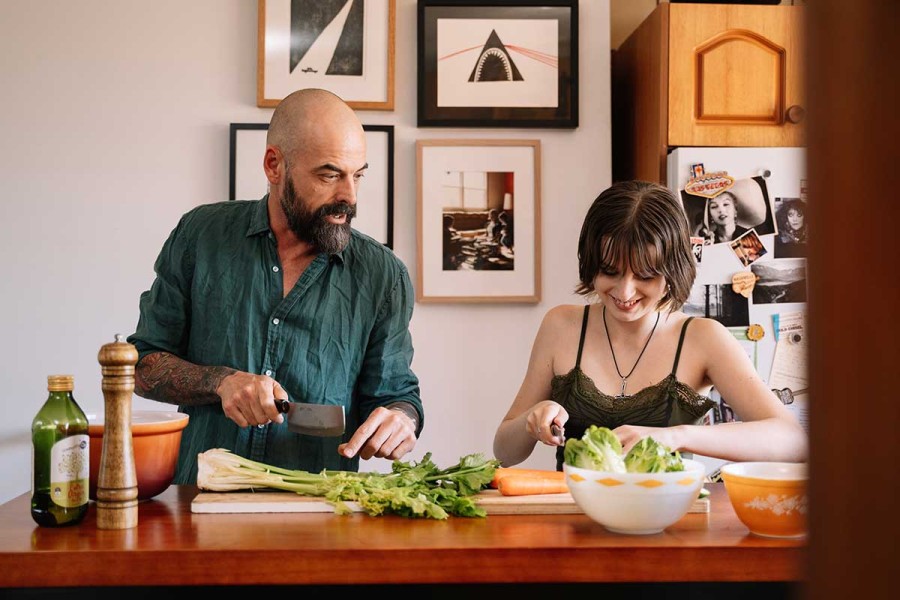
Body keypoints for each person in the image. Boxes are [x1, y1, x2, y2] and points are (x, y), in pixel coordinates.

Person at [128, 88, 423, 484]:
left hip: (320, 515)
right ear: (274, 165)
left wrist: (401, 419)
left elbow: (395, 394)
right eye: (329, 174)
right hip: (198, 507)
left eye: (358, 175)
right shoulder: (200, 236)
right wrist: (220, 382)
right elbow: (142, 366)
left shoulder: (383, 275)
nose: (348, 196)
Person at [493, 180, 807, 470]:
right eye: (609, 271)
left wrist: (677, 436)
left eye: (645, 275)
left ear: (673, 269)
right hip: (572, 521)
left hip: (667, 521)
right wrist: (531, 421)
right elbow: (505, 453)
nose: (625, 292)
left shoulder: (703, 338)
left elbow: (792, 441)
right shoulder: (561, 325)